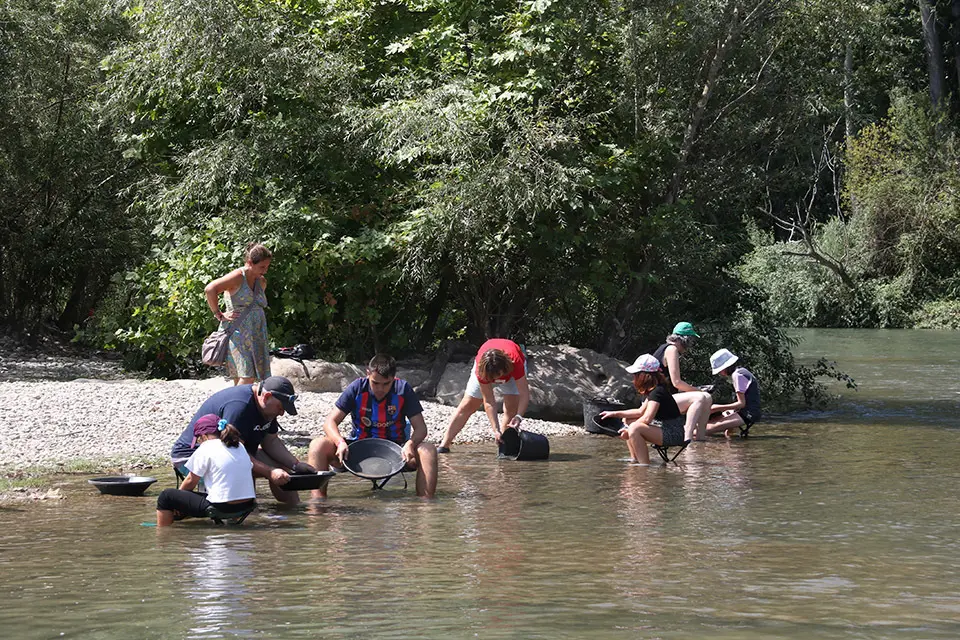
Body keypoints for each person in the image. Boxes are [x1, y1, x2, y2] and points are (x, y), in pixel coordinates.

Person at [307, 354, 438, 498]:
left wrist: (410, 444)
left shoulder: (403, 390)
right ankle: (317, 505)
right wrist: (340, 442)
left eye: (386, 384)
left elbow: (421, 428)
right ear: (367, 374)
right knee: (317, 445)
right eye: (375, 383)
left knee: (428, 450)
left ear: (394, 378)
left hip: (395, 451)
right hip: (357, 449)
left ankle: (426, 507)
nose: (380, 389)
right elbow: (329, 422)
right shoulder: (357, 388)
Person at [170, 376, 314, 505]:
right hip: (189, 457)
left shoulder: (268, 407)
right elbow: (233, 452)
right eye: (281, 408)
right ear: (267, 396)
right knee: (244, 469)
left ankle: (294, 509)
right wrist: (269, 472)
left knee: (282, 469)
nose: (282, 413)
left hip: (234, 452)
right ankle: (248, 515)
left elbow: (271, 442)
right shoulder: (239, 407)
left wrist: (296, 465)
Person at [157, 414, 257, 526]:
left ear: (204, 436)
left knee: (166, 497)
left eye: (199, 440)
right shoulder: (239, 445)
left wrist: (177, 503)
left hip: (223, 506)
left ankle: (162, 533)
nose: (199, 443)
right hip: (248, 504)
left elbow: (190, 481)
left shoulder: (207, 446)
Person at [436, 338, 529, 453]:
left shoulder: (515, 362)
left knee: (511, 408)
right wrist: (495, 429)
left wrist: (519, 417)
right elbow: (489, 401)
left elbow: (524, 394)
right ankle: (444, 445)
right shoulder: (482, 370)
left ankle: (504, 447)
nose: (495, 380)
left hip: (510, 371)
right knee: (468, 405)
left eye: (498, 376)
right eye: (492, 378)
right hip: (486, 368)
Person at [599, 354, 687, 465]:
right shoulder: (655, 390)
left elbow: (647, 418)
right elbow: (640, 411)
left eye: (636, 375)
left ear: (645, 376)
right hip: (667, 430)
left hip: (674, 434)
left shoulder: (658, 392)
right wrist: (614, 414)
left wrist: (629, 430)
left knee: (635, 428)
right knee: (627, 420)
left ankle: (644, 466)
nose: (634, 378)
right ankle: (634, 459)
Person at [204, 242, 272, 385]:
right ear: (249, 262)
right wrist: (218, 313)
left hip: (256, 332)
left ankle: (236, 404)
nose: (265, 270)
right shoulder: (237, 277)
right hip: (238, 332)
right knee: (248, 376)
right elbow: (210, 289)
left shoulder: (262, 281)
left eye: (267, 266)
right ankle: (238, 404)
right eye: (262, 267)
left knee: (240, 375)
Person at [652, 321, 711, 441]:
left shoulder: (663, 348)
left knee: (707, 397)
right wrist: (698, 390)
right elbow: (677, 383)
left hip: (663, 399)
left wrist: (698, 390)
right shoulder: (671, 349)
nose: (691, 345)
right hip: (657, 402)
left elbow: (674, 385)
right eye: (691, 341)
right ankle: (687, 438)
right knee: (699, 397)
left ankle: (700, 439)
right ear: (685, 340)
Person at [705, 348, 762, 437]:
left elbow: (741, 403)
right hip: (748, 411)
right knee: (707, 425)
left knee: (703, 429)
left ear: (725, 367)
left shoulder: (738, 375)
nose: (720, 373)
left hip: (748, 414)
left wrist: (717, 408)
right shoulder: (741, 371)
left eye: (720, 370)